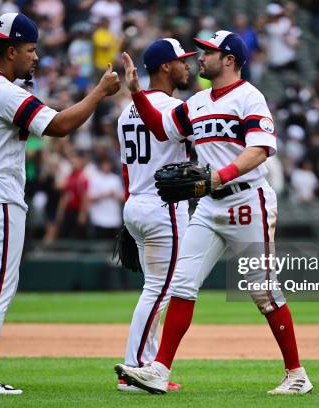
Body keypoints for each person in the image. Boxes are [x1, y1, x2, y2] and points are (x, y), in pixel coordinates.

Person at [115, 30, 312, 395]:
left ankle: (297, 374)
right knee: (181, 284)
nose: (200, 57)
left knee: (263, 292)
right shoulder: (198, 100)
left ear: (230, 60)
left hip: (248, 201)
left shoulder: (250, 96)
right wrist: (137, 93)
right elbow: (162, 129)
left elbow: (260, 150)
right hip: (209, 205)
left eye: (208, 51)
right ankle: (158, 369)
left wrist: (219, 176)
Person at [0, 13, 119, 395]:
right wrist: (99, 92)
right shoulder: (6, 92)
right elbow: (60, 127)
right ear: (12, 50)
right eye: (31, 50)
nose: (35, 57)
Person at [115, 38, 196, 392]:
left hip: (136, 202)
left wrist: (130, 214)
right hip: (163, 208)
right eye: (182, 61)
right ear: (165, 66)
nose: (187, 66)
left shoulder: (126, 111)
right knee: (161, 292)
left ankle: (144, 364)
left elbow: (125, 170)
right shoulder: (174, 108)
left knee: (156, 289)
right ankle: (134, 369)